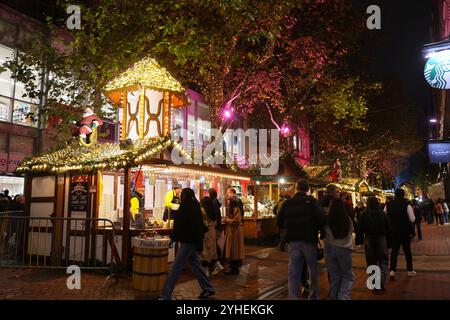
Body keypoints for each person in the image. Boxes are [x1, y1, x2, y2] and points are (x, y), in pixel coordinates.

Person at [161, 188, 214, 300]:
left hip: (188, 241)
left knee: (175, 267)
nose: (181, 196)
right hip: (190, 241)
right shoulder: (194, 206)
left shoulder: (187, 207)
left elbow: (190, 226)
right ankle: (208, 288)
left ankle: (166, 295)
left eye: (182, 194)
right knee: (195, 265)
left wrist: (174, 237)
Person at [277, 180, 326, 300]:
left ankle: (293, 296)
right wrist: (318, 230)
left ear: (297, 189)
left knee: (294, 270)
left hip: (293, 240)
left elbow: (279, 220)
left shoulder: (288, 203)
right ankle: (313, 295)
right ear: (307, 189)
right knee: (312, 269)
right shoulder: (313, 202)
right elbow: (321, 219)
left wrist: (288, 227)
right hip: (309, 240)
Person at [356, 197, 391, 293]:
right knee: (383, 261)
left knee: (372, 262)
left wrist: (359, 241)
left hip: (369, 239)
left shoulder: (364, 214)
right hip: (382, 238)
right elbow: (388, 228)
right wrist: (390, 243)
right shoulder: (383, 214)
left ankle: (375, 285)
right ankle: (381, 283)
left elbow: (359, 228)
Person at [323, 198, 355, 300]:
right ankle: (343, 296)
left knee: (335, 276)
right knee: (347, 275)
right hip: (344, 249)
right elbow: (351, 232)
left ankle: (333, 297)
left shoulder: (327, 219)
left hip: (330, 248)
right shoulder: (347, 219)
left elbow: (324, 232)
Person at [386, 189, 416, 279]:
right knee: (407, 251)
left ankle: (392, 271)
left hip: (393, 231)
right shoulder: (407, 205)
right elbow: (412, 219)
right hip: (405, 231)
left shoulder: (388, 205)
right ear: (403, 195)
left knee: (394, 251)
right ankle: (410, 270)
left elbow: (385, 216)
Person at [223, 191, 245, 275]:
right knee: (233, 249)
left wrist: (227, 220)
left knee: (234, 249)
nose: (228, 202)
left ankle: (234, 268)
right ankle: (233, 267)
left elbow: (237, 220)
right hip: (233, 230)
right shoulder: (233, 209)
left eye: (229, 200)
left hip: (235, 231)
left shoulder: (236, 208)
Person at [199, 196, 218, 277]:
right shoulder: (213, 211)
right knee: (212, 251)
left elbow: (202, 223)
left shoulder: (203, 211)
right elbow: (216, 223)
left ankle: (206, 271)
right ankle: (216, 266)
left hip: (206, 232)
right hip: (213, 232)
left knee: (205, 252)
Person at [208, 188, 224, 275]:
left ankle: (217, 262)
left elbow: (214, 216)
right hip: (218, 227)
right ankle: (218, 262)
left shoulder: (213, 203)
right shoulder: (216, 203)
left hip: (215, 227)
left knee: (213, 245)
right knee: (214, 245)